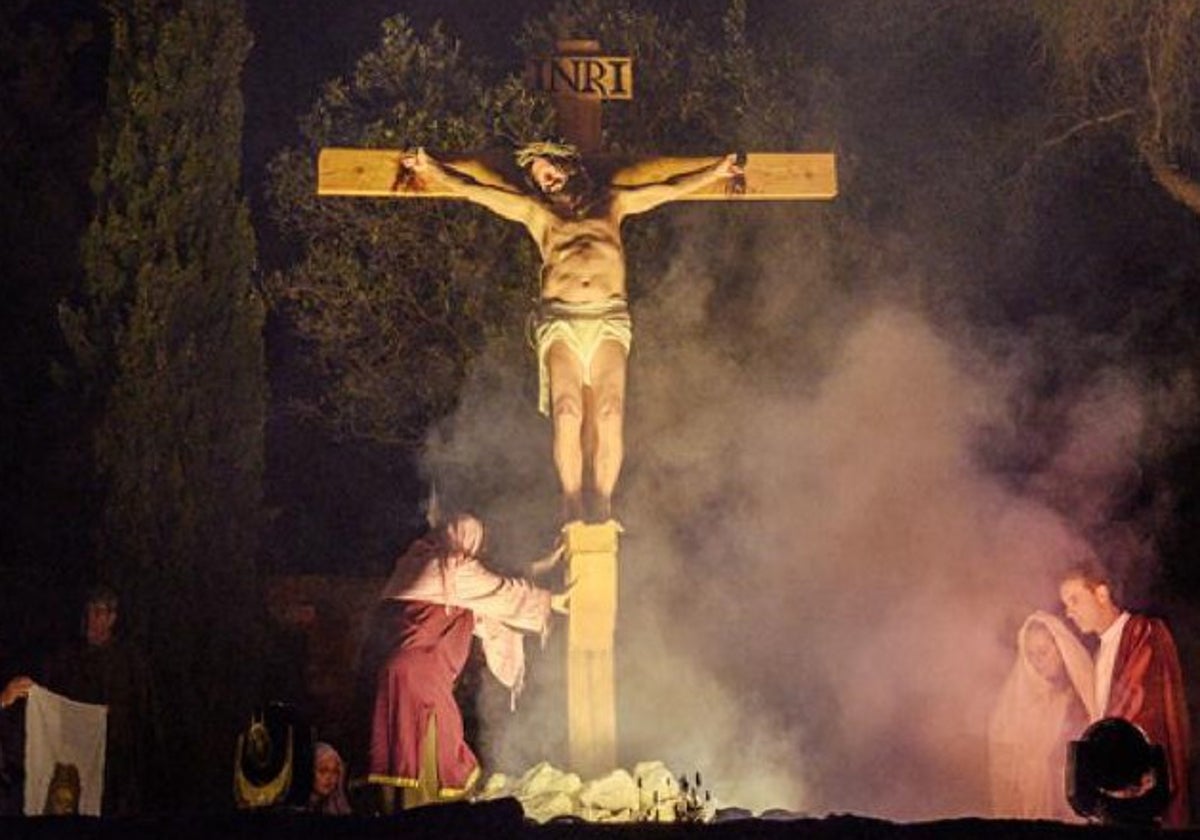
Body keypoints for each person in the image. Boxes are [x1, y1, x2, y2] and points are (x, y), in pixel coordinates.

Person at [399, 143, 744, 524]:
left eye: (548, 171)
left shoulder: (611, 204)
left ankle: (604, 503)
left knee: (610, 412)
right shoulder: (538, 214)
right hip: (560, 319)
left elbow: (667, 187)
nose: (544, 181)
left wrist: (714, 173)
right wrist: (432, 168)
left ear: (569, 167)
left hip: (607, 315)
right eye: (537, 179)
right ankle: (572, 502)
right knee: (567, 412)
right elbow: (476, 190)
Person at [367, 512, 566, 810]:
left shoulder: (415, 564)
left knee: (399, 746)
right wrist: (549, 601)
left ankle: (396, 815)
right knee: (431, 747)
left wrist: (542, 566)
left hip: (394, 675)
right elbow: (499, 591)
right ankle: (425, 818)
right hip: (423, 676)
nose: (479, 552)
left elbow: (493, 582)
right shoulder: (453, 570)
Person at [0, 585, 155, 816]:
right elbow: (51, 702)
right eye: (89, 612)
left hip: (116, 764)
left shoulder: (130, 661)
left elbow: (143, 713)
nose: (92, 619)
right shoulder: (67, 658)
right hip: (73, 761)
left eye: (99, 613)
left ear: (112, 618)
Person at [1059, 562, 1191, 826]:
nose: (1069, 612)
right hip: (1112, 786)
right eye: (1065, 604)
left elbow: (1140, 704)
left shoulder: (1143, 631)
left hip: (1136, 782)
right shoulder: (1101, 651)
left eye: (1074, 600)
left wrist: (1102, 757)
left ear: (1102, 594)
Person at [988, 611, 1097, 820]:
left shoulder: (1083, 699)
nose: (1038, 662)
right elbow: (1005, 773)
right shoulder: (1017, 706)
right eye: (1031, 656)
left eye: (1043, 652)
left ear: (1061, 648)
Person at [307, 741, 351, 815]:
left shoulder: (340, 810)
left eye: (335, 772)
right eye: (323, 771)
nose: (330, 778)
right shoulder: (293, 810)